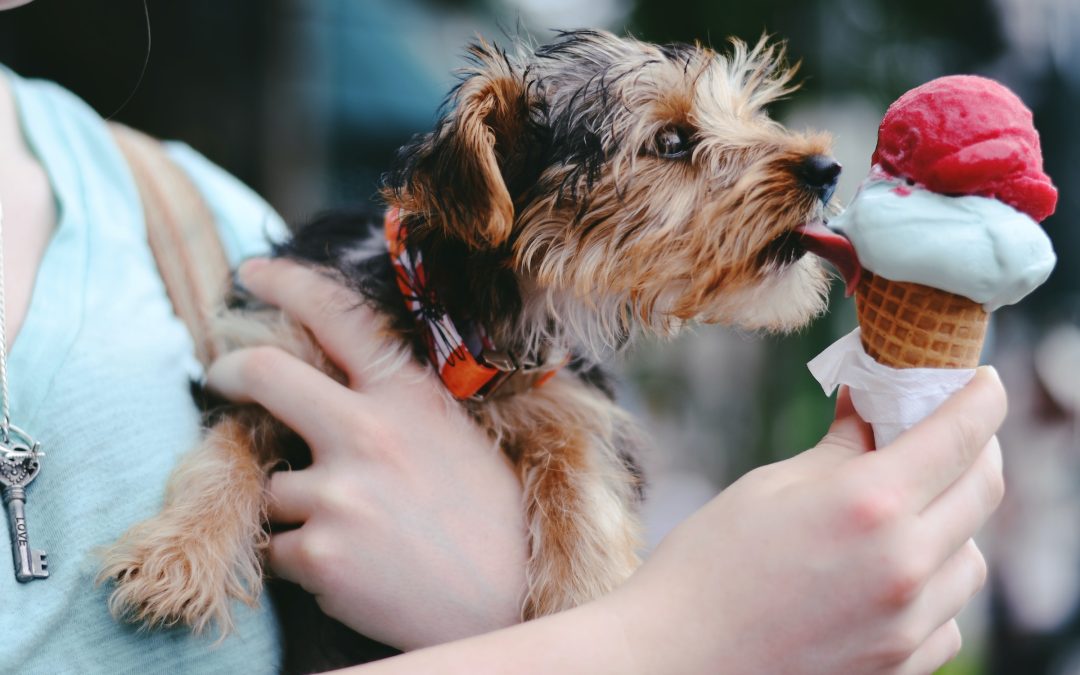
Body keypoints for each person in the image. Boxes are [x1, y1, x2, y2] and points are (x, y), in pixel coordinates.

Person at [0, 0, 1005, 672]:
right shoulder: (294, 283)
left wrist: (507, 617)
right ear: (497, 183)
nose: (802, 163)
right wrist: (670, 638)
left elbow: (584, 568)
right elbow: (246, 418)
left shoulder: (192, 220)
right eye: (673, 145)